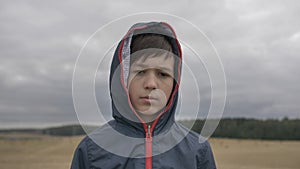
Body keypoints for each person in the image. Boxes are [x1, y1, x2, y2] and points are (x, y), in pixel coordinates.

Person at [71, 22, 217, 169]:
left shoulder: (198, 151)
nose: (151, 84)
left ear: (175, 82)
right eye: (140, 72)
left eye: (162, 74)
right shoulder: (91, 151)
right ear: (123, 78)